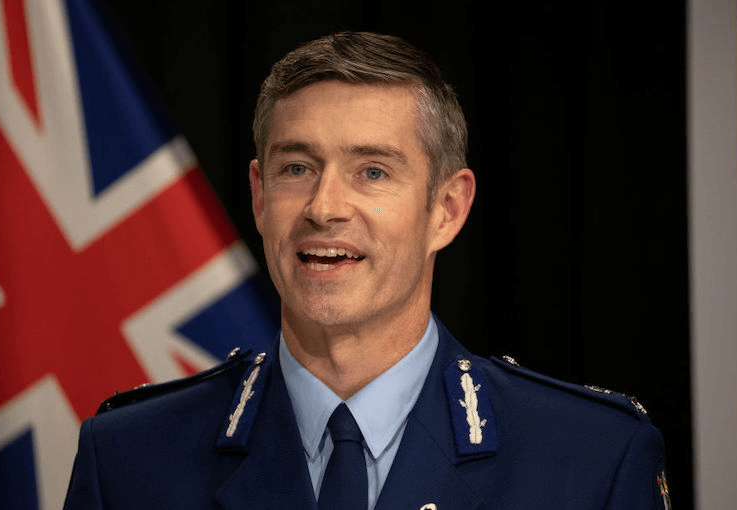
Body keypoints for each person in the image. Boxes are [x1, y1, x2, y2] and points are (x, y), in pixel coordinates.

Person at [63, 31, 671, 510]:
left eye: (372, 171)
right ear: (258, 196)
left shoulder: (590, 457)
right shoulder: (126, 457)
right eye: (297, 168)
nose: (324, 207)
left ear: (447, 209)